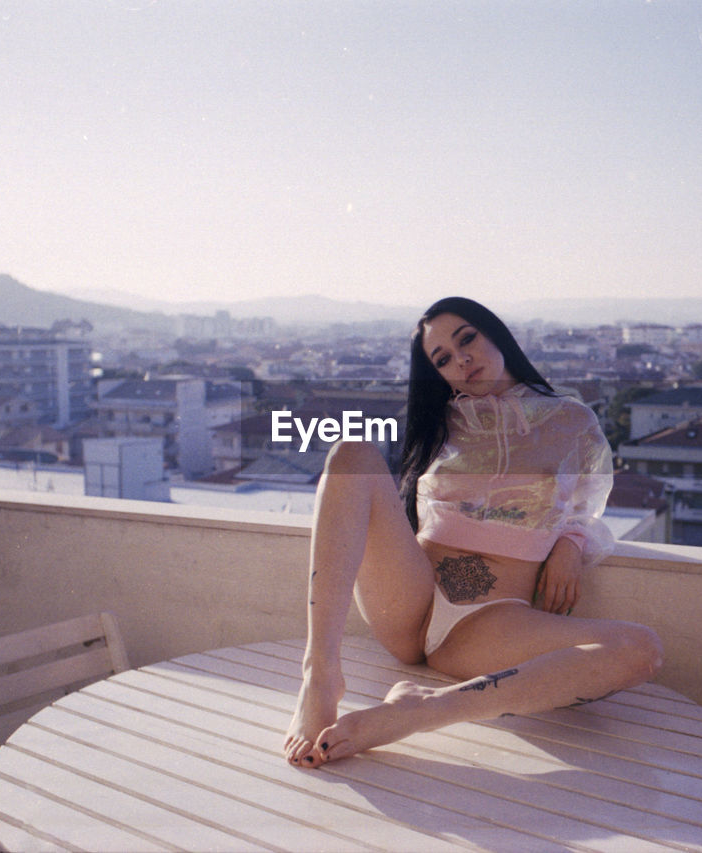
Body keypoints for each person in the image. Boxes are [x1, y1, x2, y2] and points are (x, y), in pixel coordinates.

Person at [283, 296, 663, 768]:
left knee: (641, 649)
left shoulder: (571, 421)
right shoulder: (438, 423)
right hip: (408, 598)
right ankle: (319, 675)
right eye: (442, 359)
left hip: (488, 622)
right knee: (350, 454)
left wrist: (571, 542)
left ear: (495, 334)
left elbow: (586, 504)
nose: (461, 360)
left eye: (467, 339)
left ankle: (419, 711)